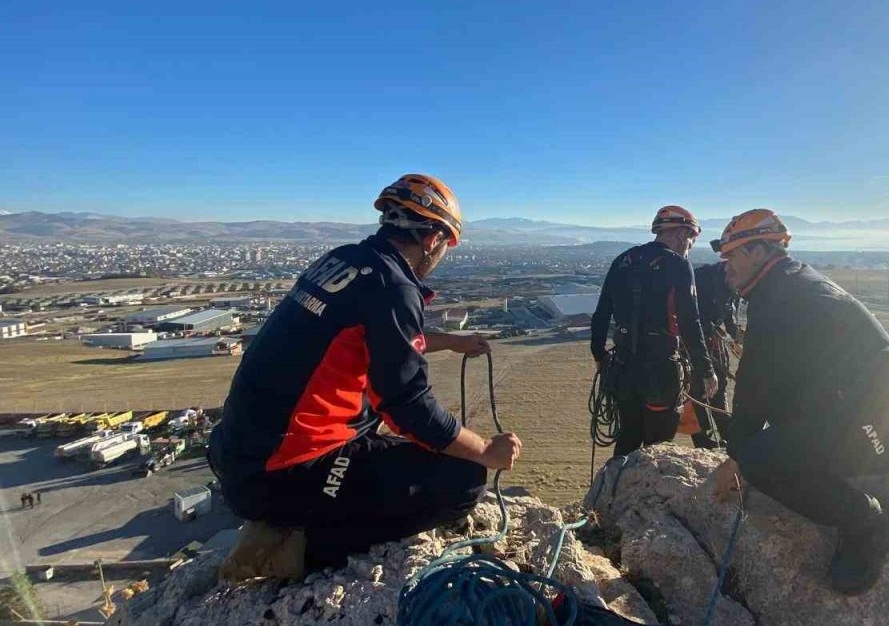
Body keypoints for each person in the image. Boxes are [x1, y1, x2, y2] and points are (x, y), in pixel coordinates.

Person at [209, 174, 523, 575]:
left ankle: (302, 509)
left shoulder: (345, 260)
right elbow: (409, 406)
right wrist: (484, 450)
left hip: (240, 456)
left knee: (371, 420)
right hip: (281, 475)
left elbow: (366, 338)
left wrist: (448, 341)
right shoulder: (394, 287)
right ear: (433, 239)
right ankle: (292, 551)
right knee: (462, 477)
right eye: (446, 245)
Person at [707, 209, 889, 595]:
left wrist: (739, 456)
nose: (726, 265)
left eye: (733, 255)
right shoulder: (788, 286)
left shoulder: (783, 298)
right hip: (864, 414)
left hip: (886, 429)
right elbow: (770, 382)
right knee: (768, 444)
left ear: (761, 252)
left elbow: (753, 386)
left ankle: (868, 524)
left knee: (761, 459)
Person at [591, 206, 719, 457]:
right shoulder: (678, 265)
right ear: (683, 234)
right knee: (658, 445)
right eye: (691, 241)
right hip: (661, 371)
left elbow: (602, 314)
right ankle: (645, 491)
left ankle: (616, 490)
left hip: (622, 368)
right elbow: (690, 322)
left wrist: (599, 356)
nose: (689, 248)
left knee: (628, 436)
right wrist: (706, 370)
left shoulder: (623, 261)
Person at [689, 262, 739, 448]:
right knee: (698, 389)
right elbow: (693, 316)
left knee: (719, 387)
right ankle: (704, 439)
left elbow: (728, 309)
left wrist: (734, 332)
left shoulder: (730, 282)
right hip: (695, 344)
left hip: (713, 343)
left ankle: (725, 432)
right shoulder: (705, 280)